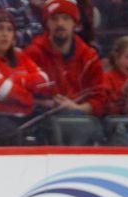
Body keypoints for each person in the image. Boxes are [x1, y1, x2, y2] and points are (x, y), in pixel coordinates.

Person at [23, 0, 104, 144]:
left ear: (75, 23)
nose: (60, 23)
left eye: (66, 18)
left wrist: (77, 108)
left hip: (82, 125)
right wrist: (48, 103)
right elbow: (23, 95)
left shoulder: (89, 57)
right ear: (47, 23)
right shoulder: (32, 54)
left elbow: (101, 98)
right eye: (54, 19)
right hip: (42, 125)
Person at [0, 9, 52, 145]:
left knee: (53, 126)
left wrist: (16, 81)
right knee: (10, 133)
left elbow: (44, 82)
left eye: (9, 29)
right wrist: (30, 96)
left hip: (27, 117)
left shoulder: (20, 55)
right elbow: (5, 92)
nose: (5, 34)